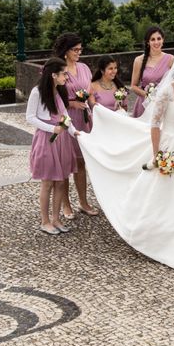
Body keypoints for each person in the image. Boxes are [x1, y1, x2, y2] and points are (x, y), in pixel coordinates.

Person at [78, 53, 174, 269]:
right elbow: (155, 124)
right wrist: (158, 153)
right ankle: (158, 235)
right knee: (164, 192)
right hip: (170, 144)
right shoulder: (167, 91)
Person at [26, 57, 80, 235]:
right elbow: (30, 117)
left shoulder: (59, 91)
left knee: (60, 181)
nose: (67, 76)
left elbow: (65, 116)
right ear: (54, 75)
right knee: (48, 182)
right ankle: (45, 221)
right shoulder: (37, 92)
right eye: (64, 73)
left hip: (61, 140)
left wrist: (74, 132)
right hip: (46, 140)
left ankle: (56, 219)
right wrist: (52, 128)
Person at [52, 33, 99, 219]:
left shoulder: (85, 67)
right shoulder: (57, 69)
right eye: (76, 49)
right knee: (65, 163)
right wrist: (72, 103)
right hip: (66, 118)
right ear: (66, 51)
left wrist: (90, 103)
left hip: (84, 118)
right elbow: (53, 97)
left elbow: (90, 89)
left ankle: (83, 201)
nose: (79, 52)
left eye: (81, 49)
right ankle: (65, 205)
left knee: (81, 162)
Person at [130, 26, 174, 117]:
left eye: (159, 39)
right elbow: (133, 86)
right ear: (148, 42)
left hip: (163, 105)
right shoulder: (139, 60)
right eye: (152, 39)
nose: (156, 42)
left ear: (163, 40)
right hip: (144, 104)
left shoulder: (170, 59)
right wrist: (148, 96)